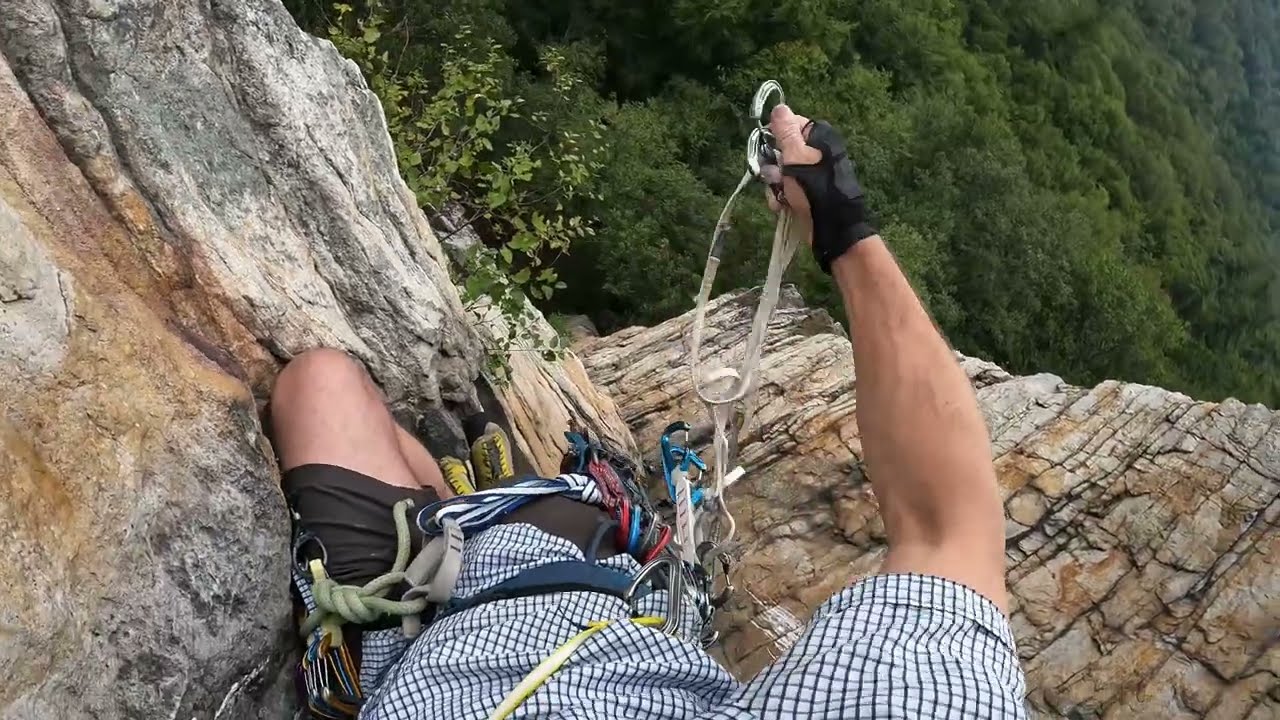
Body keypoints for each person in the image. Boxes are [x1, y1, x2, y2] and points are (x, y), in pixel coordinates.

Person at [272, 107, 1027, 719]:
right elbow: (944, 531)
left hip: (424, 641)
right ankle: (458, 508)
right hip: (568, 585)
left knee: (323, 390)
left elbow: (946, 531)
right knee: (327, 390)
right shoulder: (931, 701)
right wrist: (839, 222)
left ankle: (452, 509)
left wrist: (840, 221)